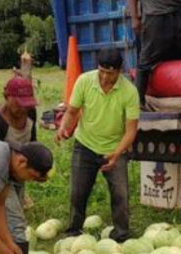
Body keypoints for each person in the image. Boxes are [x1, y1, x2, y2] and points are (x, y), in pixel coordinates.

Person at [56, 48, 140, 242]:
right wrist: (63, 128)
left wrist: (117, 154)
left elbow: (131, 131)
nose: (104, 77)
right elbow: (72, 110)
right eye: (101, 71)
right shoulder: (85, 81)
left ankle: (121, 235)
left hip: (114, 148)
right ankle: (74, 231)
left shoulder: (129, 92)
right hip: (85, 145)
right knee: (78, 191)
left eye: (109, 73)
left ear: (119, 72)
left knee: (120, 194)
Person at [0, 75, 39, 254]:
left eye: (27, 103)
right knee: (16, 221)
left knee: (14, 215)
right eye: (19, 102)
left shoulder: (30, 113)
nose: (23, 108)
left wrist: (36, 169)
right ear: (7, 96)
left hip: (19, 172)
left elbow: (32, 144)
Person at [125, 0, 181, 105]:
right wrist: (134, 18)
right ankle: (137, 103)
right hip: (155, 16)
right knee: (146, 61)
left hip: (179, 14)